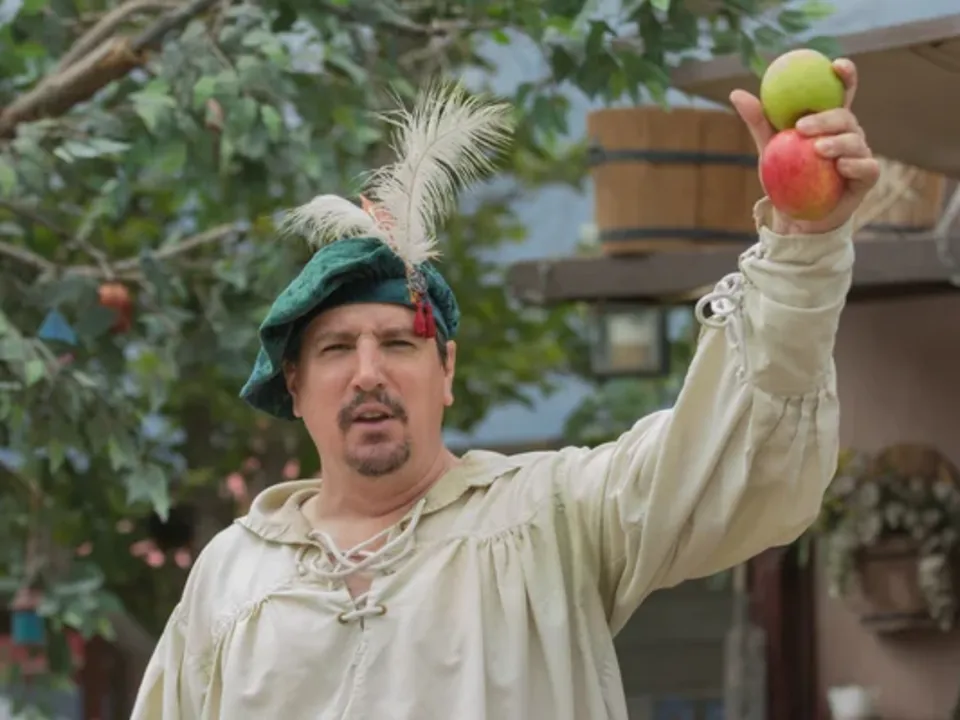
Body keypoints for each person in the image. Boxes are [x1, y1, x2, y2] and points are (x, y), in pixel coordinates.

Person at [131, 65, 879, 719]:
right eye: (335, 349)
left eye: (398, 342)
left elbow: (733, 451)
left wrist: (801, 246)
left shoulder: (552, 519)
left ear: (446, 371)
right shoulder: (232, 576)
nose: (368, 373)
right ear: (294, 386)